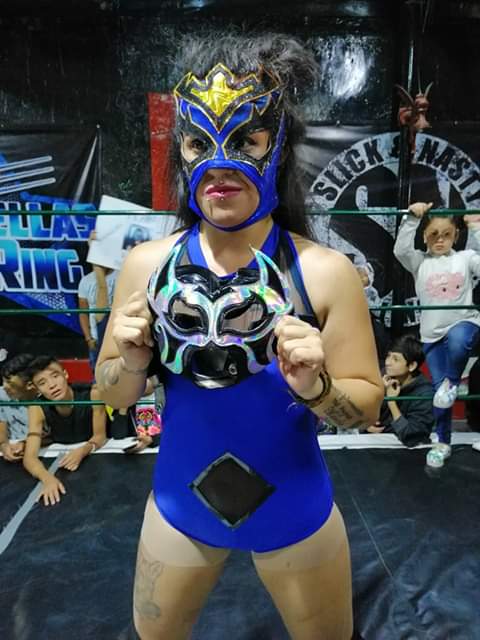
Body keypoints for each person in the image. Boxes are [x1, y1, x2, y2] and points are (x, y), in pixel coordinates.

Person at [96, 32, 383, 640]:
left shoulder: (324, 273)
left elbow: (365, 408)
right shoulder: (146, 266)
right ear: (181, 150)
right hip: (180, 505)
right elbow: (113, 396)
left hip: (294, 509)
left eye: (247, 140)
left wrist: (317, 388)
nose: (220, 165)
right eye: (200, 142)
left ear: (278, 149)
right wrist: (131, 360)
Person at [393, 202, 480, 466]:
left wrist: (476, 228)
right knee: (440, 397)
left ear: (456, 235)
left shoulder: (465, 258)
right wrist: (411, 219)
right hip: (432, 336)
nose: (440, 240)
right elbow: (401, 250)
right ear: (424, 236)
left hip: (464, 323)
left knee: (458, 342)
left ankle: (452, 382)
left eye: (446, 234)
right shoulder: (420, 262)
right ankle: (442, 443)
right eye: (433, 235)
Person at [23, 356, 107, 506]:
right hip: (63, 466)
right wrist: (48, 479)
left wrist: (82, 451)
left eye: (55, 376)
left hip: (97, 462)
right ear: (36, 389)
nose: (52, 385)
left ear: (65, 374)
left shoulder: (93, 393)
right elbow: (29, 457)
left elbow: (100, 437)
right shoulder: (36, 407)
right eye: (42, 383)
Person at [365, 334, 434, 447]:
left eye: (395, 359)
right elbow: (363, 412)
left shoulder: (424, 393)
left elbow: (413, 437)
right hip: (375, 443)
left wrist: (391, 401)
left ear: (411, 366)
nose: (388, 362)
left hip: (407, 451)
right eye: (388, 356)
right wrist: (366, 423)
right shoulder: (383, 376)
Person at [0, 353, 37, 462]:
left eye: (10, 383)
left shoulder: (46, 400)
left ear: (30, 385)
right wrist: (3, 444)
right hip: (10, 449)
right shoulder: (2, 395)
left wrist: (26, 444)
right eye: (3, 381)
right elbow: (1, 424)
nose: (5, 386)